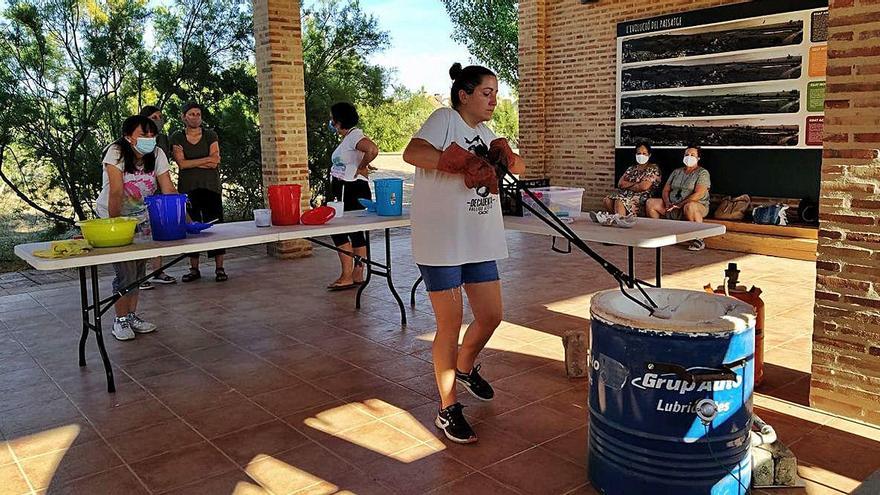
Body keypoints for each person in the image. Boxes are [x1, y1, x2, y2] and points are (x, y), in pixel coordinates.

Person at [402, 63, 525, 444]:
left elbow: (519, 168)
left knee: (491, 316)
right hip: (441, 241)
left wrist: (505, 157)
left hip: (477, 239)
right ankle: (447, 406)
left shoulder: (485, 133)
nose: (494, 99)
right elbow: (413, 152)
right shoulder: (445, 119)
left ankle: (466, 367)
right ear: (464, 95)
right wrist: (459, 162)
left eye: (496, 93)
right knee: (449, 324)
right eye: (486, 92)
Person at [95, 115, 178, 341]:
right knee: (125, 273)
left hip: (142, 218)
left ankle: (131, 316)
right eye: (143, 135)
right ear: (127, 137)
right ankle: (119, 320)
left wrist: (185, 217)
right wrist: (115, 225)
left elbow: (168, 188)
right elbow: (116, 192)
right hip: (114, 217)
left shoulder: (157, 154)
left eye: (152, 135)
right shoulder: (116, 152)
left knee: (139, 273)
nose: (149, 139)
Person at [170, 102, 227, 282]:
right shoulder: (177, 136)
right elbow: (181, 164)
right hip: (188, 188)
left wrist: (192, 161)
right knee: (191, 226)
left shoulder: (210, 134)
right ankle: (194, 269)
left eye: (198, 114)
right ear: (183, 116)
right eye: (191, 114)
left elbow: (215, 161)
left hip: (211, 186)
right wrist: (205, 160)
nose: (195, 117)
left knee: (216, 227)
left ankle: (220, 268)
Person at [326, 102, 380, 290]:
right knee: (356, 231)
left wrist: (362, 166)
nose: (331, 122)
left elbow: (372, 149)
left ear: (339, 120)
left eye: (333, 119)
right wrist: (361, 164)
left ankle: (347, 275)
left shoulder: (354, 136)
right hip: (350, 188)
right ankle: (357, 274)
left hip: (349, 189)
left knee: (338, 228)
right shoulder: (350, 137)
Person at [137, 105, 177, 290]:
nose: (158, 120)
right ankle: (138, 276)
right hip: (133, 199)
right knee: (138, 240)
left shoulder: (162, 142)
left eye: (160, 116)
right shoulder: (123, 147)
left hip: (157, 194)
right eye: (154, 117)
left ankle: (157, 272)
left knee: (155, 235)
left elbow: (165, 179)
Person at [645, 144, 711, 251]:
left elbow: (699, 193)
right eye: (687, 154)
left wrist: (680, 204)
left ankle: (698, 239)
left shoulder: (702, 173)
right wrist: (667, 203)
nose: (689, 157)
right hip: (672, 206)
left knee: (690, 206)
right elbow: (666, 189)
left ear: (698, 158)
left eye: (692, 155)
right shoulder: (677, 171)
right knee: (650, 203)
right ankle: (659, 235)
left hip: (695, 207)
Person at [603, 142, 661, 216]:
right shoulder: (631, 168)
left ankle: (621, 222)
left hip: (641, 200)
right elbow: (620, 184)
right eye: (639, 153)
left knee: (620, 201)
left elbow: (643, 187)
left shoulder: (653, 169)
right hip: (626, 195)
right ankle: (616, 219)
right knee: (607, 200)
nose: (641, 156)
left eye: (644, 153)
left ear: (649, 155)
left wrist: (628, 185)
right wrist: (636, 184)